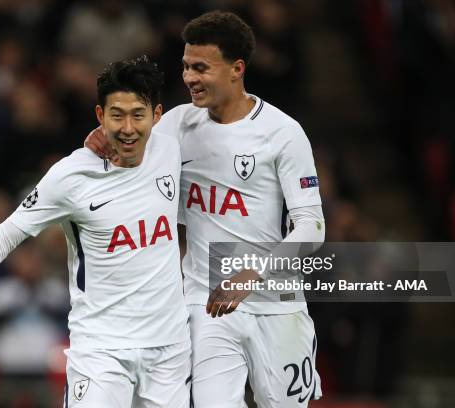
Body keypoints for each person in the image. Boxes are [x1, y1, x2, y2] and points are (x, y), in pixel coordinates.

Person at [0, 56, 192, 408]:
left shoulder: (171, 148)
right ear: (99, 115)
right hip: (101, 350)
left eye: (138, 114)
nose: (127, 128)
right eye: (116, 115)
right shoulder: (71, 176)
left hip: (168, 350)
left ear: (156, 115)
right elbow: (6, 236)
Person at [86, 11, 325, 408]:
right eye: (185, 67)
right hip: (206, 299)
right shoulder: (176, 125)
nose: (190, 78)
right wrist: (103, 141)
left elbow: (311, 229)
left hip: (277, 301)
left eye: (201, 68)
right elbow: (126, 158)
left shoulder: (282, 133)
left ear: (237, 69)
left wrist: (254, 272)